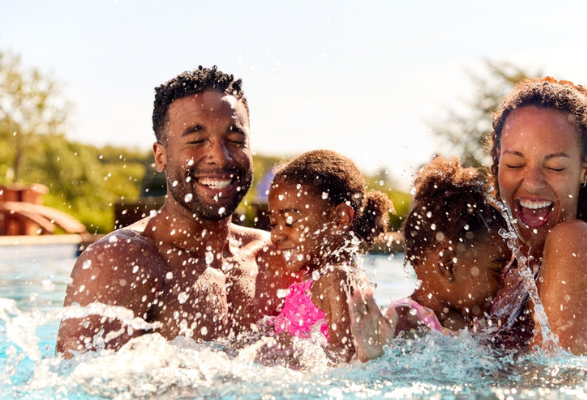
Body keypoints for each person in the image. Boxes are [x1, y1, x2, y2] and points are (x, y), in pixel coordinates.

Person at [56, 66, 295, 357]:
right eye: (196, 140)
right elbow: (80, 387)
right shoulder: (120, 262)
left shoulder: (277, 256)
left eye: (235, 140)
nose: (220, 155)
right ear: (161, 156)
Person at [486, 77, 587, 355]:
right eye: (515, 164)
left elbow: (555, 384)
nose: (533, 182)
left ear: (586, 168)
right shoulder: (501, 259)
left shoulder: (576, 243)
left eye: (555, 167)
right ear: (498, 159)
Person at [348, 156, 510, 362]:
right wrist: (372, 356)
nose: (503, 282)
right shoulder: (405, 319)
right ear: (449, 266)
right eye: (497, 270)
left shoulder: (474, 322)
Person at [266, 150, 393, 363]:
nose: (276, 234)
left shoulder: (337, 279)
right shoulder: (320, 278)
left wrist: (285, 356)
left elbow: (343, 360)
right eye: (273, 223)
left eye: (289, 221)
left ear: (340, 218)